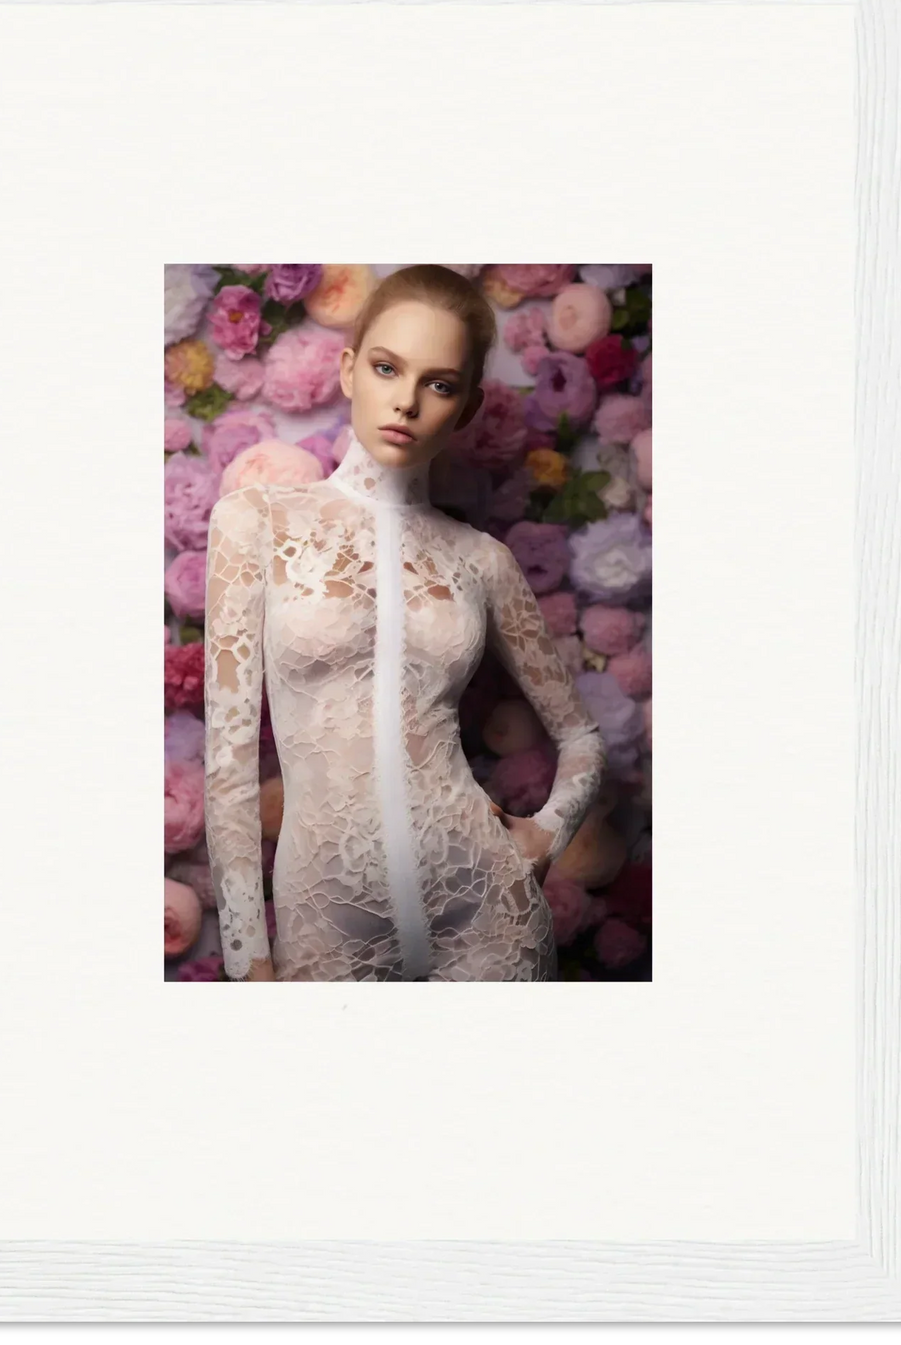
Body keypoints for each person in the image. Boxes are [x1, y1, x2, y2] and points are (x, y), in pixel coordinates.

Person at [202, 265, 606, 981]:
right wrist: (245, 957)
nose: (408, 401)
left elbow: (581, 735)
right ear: (350, 369)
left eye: (440, 383)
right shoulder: (257, 523)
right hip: (326, 917)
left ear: (468, 405)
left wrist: (545, 834)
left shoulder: (482, 560)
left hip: (486, 905)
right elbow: (229, 764)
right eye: (389, 368)